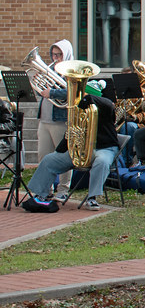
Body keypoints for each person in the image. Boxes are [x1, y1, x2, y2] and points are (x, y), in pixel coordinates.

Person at [26, 80, 118, 212]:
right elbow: (70, 133)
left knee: (102, 162)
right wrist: (60, 151)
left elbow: (109, 104)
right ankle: (40, 195)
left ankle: (92, 198)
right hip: (81, 151)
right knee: (49, 160)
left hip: (104, 148)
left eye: (86, 96)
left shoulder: (105, 107)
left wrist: (89, 98)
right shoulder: (79, 110)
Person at [35, 39, 74, 200]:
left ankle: (63, 190)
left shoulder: (71, 72)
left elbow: (71, 93)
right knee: (43, 156)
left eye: (59, 55)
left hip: (60, 121)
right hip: (44, 120)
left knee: (63, 157)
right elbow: (41, 93)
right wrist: (38, 86)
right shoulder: (50, 71)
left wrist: (51, 93)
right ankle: (46, 189)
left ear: (66, 55)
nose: (55, 58)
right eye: (53, 54)